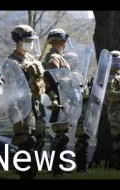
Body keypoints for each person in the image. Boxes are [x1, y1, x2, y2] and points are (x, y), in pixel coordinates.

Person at [2, 24, 46, 179]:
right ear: (18, 40)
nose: (31, 43)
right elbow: (10, 92)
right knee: (26, 142)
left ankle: (32, 173)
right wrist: (16, 116)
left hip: (36, 107)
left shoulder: (32, 60)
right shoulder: (11, 63)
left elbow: (41, 84)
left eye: (32, 40)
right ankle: (25, 175)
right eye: (28, 40)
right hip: (22, 109)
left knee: (39, 140)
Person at [42, 28, 72, 175]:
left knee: (63, 135)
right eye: (64, 40)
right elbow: (50, 81)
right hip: (59, 101)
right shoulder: (53, 58)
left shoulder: (60, 57)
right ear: (61, 41)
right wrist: (56, 98)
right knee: (60, 136)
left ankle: (59, 167)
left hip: (64, 100)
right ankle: (56, 168)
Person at [64, 52, 91, 173]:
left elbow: (85, 94)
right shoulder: (67, 76)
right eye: (73, 60)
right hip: (72, 111)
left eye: (76, 60)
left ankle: (81, 167)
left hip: (81, 113)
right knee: (68, 139)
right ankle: (74, 167)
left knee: (82, 139)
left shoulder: (80, 76)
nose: (76, 63)